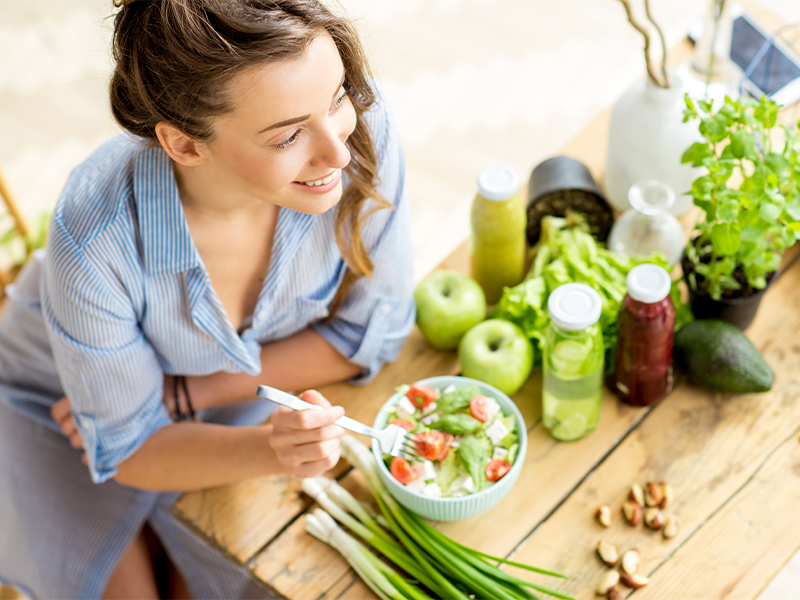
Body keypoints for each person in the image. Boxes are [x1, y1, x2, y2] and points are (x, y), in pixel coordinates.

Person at [0, 0, 414, 597]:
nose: (339, 153)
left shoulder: (357, 127)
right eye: (289, 135)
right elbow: (134, 446)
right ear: (185, 145)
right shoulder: (93, 237)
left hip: (211, 400)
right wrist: (274, 447)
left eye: (338, 98)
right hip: (55, 404)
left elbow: (370, 331)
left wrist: (190, 394)